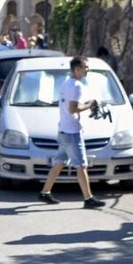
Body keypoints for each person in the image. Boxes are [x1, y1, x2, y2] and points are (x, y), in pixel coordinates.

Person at [37, 56, 106, 209]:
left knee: (59, 162)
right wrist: (90, 104)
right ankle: (88, 198)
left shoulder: (66, 84)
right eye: (85, 67)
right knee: (81, 165)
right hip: (72, 132)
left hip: (63, 129)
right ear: (77, 69)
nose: (88, 69)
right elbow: (73, 108)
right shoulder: (76, 86)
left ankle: (45, 192)